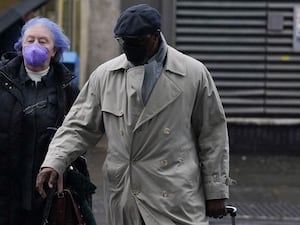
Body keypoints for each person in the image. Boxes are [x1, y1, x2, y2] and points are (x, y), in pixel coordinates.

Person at [36, 4, 233, 225]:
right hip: (125, 197)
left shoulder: (193, 74)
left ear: (156, 36)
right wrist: (54, 161)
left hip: (175, 197)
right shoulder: (105, 75)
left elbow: (212, 134)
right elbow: (78, 126)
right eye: (123, 41)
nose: (128, 48)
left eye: (136, 42)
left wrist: (216, 191)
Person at [0, 17, 83, 225]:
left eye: (43, 41)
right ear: (21, 45)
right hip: (6, 187)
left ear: (54, 50)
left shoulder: (67, 88)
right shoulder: (3, 81)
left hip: (47, 188)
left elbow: (78, 132)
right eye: (30, 40)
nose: (35, 46)